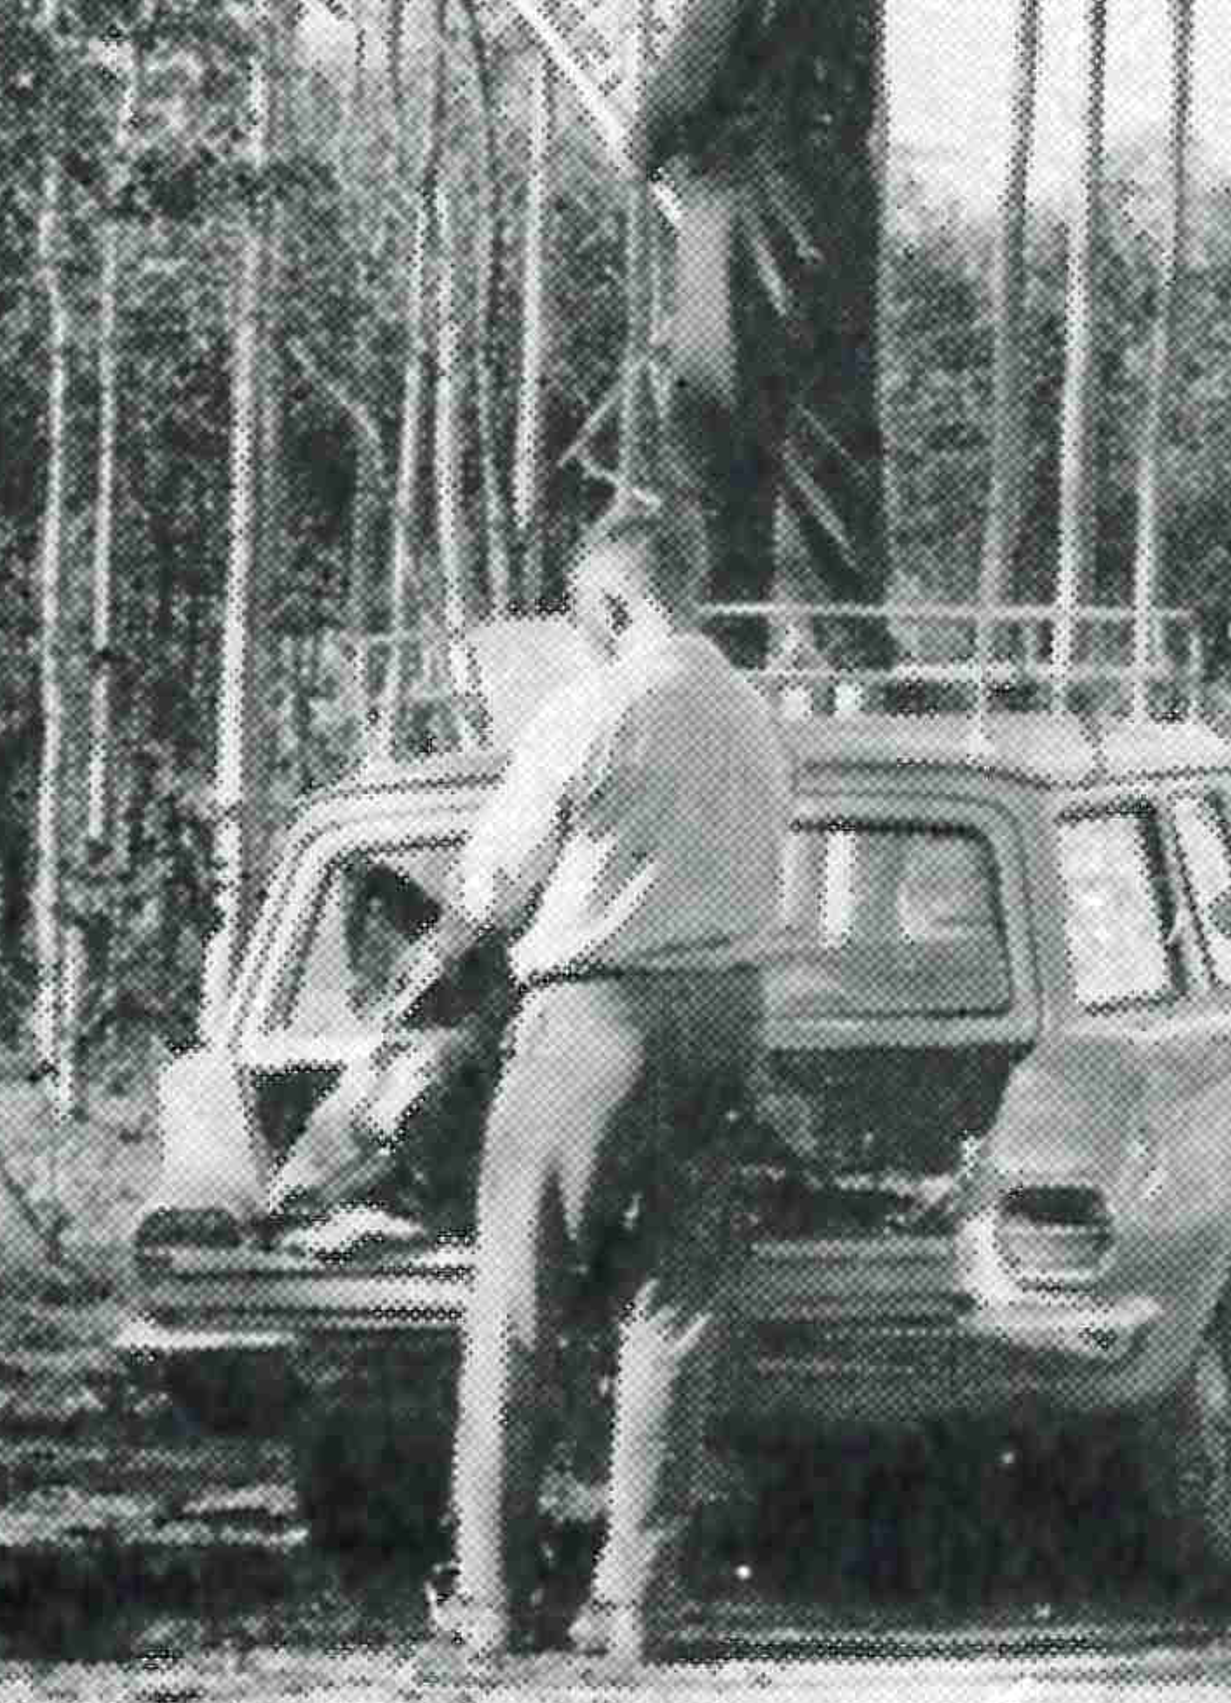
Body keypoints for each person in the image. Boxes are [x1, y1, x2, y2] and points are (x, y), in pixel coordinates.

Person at [379, 491, 790, 1668]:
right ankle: (635, 1602)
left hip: (594, 1020)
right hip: (724, 1019)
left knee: (519, 1311)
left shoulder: (595, 706)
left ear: (612, 598)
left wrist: (439, 957)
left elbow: (499, 875)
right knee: (673, 1317)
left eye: (584, 608)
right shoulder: (757, 717)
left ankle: (490, 1600)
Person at [626, 0, 889, 667]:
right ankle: (862, 656)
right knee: (828, 430)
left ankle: (721, 646)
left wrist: (644, 142)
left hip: (745, 205)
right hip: (832, 209)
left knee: (721, 424)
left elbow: (698, 65)